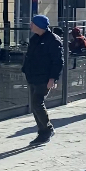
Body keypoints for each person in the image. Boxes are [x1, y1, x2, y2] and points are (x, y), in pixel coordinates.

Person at [21, 15, 64, 145]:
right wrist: (25, 70)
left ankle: (47, 129)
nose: (30, 25)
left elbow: (58, 62)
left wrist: (53, 78)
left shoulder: (53, 40)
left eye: (32, 23)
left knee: (37, 103)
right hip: (33, 76)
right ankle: (42, 131)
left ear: (39, 25)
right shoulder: (35, 39)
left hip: (44, 78)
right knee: (35, 105)